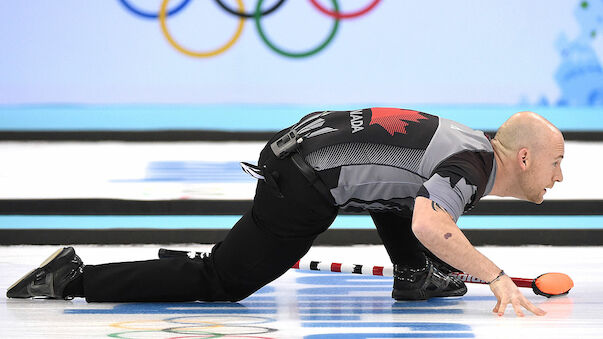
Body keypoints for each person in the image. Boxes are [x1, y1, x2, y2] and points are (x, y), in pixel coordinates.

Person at [7, 108, 564, 317]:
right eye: (557, 162)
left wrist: (432, 259)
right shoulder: (469, 170)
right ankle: (70, 279)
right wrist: (492, 275)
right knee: (223, 279)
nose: (559, 176)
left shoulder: (470, 144)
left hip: (307, 146)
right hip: (302, 179)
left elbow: (405, 195)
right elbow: (429, 224)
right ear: (522, 157)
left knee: (402, 193)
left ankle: (416, 276)